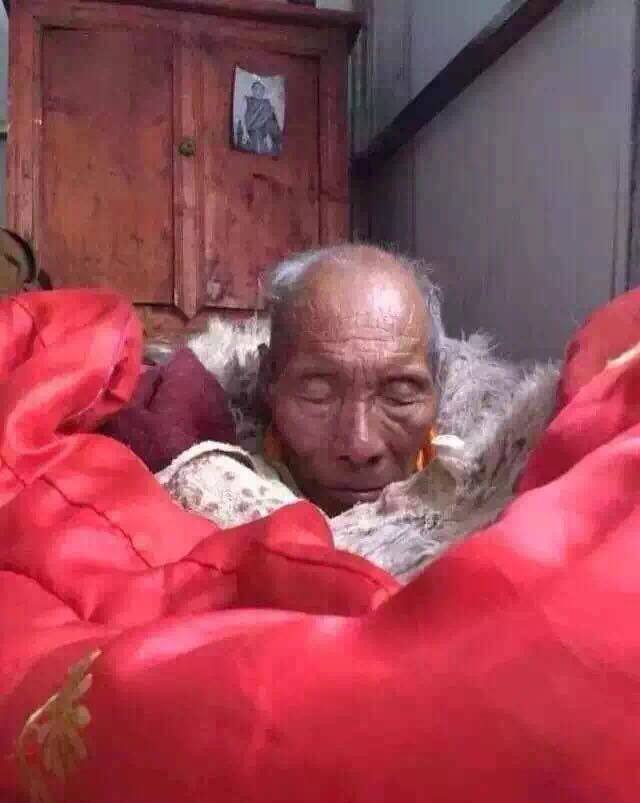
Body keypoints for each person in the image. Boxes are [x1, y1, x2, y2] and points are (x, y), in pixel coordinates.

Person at [159, 244, 445, 521]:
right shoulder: (202, 488)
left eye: (399, 395)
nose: (360, 446)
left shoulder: (469, 500)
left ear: (437, 388)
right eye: (318, 393)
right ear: (269, 381)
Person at [244, 80, 283, 155]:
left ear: (263, 91)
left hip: (268, 128)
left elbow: (274, 121)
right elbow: (244, 118)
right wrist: (245, 132)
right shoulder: (248, 100)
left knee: (273, 129)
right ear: (252, 90)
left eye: (261, 89)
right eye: (256, 89)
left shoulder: (267, 103)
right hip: (254, 128)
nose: (258, 91)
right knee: (259, 146)